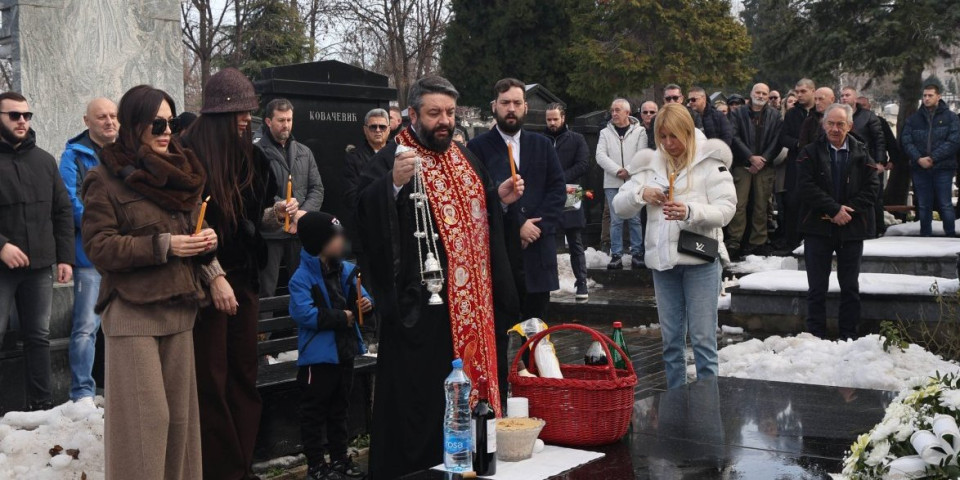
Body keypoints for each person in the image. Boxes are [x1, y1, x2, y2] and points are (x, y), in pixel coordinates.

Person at [357, 76, 521, 478]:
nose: (444, 121)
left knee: (478, 401)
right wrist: (393, 185)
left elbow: (479, 219)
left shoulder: (465, 157)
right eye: (434, 113)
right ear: (412, 115)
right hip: (426, 317)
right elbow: (362, 213)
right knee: (426, 409)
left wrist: (496, 199)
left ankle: (475, 462)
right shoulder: (392, 157)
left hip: (476, 313)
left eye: (449, 113)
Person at [81, 84, 218, 479]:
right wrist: (163, 246)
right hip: (132, 313)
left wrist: (205, 239)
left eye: (171, 122)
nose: (166, 131)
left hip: (179, 310)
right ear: (134, 124)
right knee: (145, 426)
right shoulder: (104, 178)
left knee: (180, 428)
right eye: (157, 123)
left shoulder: (181, 173)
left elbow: (191, 226)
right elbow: (99, 247)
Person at [182, 68, 298, 480]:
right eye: (239, 113)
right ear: (216, 116)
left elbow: (252, 217)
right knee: (211, 379)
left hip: (245, 278)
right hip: (205, 284)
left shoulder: (249, 156)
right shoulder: (187, 156)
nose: (246, 120)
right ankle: (220, 469)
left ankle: (240, 463)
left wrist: (275, 213)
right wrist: (213, 276)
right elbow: (186, 225)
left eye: (249, 112)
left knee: (244, 375)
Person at [612, 104, 735, 389]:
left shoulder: (709, 162)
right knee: (671, 344)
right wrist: (642, 193)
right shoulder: (650, 164)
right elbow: (620, 206)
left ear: (688, 133)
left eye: (675, 136)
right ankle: (676, 407)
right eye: (663, 137)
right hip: (663, 264)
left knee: (704, 342)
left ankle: (707, 408)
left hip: (700, 262)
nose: (669, 144)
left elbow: (727, 210)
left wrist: (690, 211)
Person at [0, 91, 74, 411]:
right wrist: (1, 246)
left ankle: (42, 406)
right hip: (1, 267)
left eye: (27, 116)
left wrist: (65, 258)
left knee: (38, 337)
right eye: (14, 115)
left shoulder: (44, 160)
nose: (22, 121)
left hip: (40, 266)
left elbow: (62, 211)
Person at [469, 78, 565, 321]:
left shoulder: (542, 145)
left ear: (525, 107)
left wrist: (536, 228)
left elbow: (556, 190)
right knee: (500, 329)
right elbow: (475, 195)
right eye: (505, 103)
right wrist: (517, 225)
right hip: (500, 255)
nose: (511, 108)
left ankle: (532, 361)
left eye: (516, 102)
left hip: (537, 251)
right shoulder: (477, 147)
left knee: (537, 333)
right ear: (494, 106)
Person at [289, 212, 372, 480]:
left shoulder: (347, 270)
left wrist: (366, 306)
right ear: (320, 242)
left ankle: (339, 459)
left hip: (344, 352)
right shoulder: (301, 278)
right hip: (317, 358)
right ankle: (316, 465)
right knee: (314, 412)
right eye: (336, 236)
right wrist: (342, 317)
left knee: (340, 409)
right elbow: (304, 313)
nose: (341, 240)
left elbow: (362, 296)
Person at [797, 103, 880, 339]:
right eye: (831, 123)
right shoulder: (809, 152)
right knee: (816, 287)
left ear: (850, 126)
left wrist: (847, 212)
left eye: (840, 124)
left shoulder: (863, 153)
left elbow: (872, 188)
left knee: (850, 287)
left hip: (851, 228)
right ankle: (815, 335)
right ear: (824, 125)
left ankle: (848, 335)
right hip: (817, 227)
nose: (835, 128)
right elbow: (804, 187)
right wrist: (833, 209)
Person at [58, 97, 118, 406]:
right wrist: (108, 228)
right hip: (90, 257)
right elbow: (71, 202)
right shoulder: (73, 157)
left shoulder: (127, 154)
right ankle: (82, 392)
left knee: (123, 323)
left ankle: (117, 387)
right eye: (101, 117)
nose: (109, 121)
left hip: (124, 255)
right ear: (87, 121)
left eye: (113, 115)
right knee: (85, 327)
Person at [255, 98, 324, 298]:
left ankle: (301, 328)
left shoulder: (304, 151)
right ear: (268, 122)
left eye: (289, 119)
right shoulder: (257, 152)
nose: (286, 125)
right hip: (271, 233)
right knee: (266, 290)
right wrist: (283, 207)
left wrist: (301, 214)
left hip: (299, 232)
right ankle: (264, 330)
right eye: (281, 120)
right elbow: (259, 191)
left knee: (303, 287)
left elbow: (317, 188)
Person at [727, 83, 783, 258]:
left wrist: (763, 159)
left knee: (761, 205)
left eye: (764, 93)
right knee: (739, 205)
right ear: (750, 94)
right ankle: (734, 242)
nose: (761, 95)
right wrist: (750, 157)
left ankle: (758, 242)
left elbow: (777, 140)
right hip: (742, 164)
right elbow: (733, 136)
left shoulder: (775, 115)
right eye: (757, 92)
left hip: (765, 166)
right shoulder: (737, 113)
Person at [544, 103, 590, 300]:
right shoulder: (540, 139)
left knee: (574, 240)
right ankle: (548, 283)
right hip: (547, 193)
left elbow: (583, 164)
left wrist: (559, 178)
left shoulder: (577, 139)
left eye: (555, 119)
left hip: (571, 190)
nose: (552, 123)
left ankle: (581, 282)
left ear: (563, 118)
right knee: (547, 239)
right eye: (549, 120)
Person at [901, 84, 960, 237]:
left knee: (945, 204)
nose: (926, 98)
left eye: (930, 95)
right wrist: (919, 159)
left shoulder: (951, 117)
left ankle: (950, 236)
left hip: (943, 168)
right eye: (925, 95)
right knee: (923, 204)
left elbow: (953, 142)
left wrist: (933, 158)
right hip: (920, 168)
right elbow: (906, 141)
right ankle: (925, 235)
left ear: (938, 96)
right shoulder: (914, 119)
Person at [596, 98, 648, 269]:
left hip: (634, 181)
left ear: (627, 112)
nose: (614, 113)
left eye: (618, 110)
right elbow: (600, 155)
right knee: (616, 219)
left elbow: (642, 154)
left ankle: (637, 253)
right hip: (612, 181)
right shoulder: (605, 132)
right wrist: (618, 170)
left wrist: (629, 170)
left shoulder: (640, 132)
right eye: (612, 110)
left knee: (635, 219)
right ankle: (616, 254)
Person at [840, 87, 887, 236]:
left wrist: (880, 161)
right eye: (842, 96)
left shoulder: (868, 116)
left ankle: (876, 231)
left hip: (868, 163)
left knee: (873, 200)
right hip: (848, 165)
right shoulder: (841, 116)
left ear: (855, 98)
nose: (844, 98)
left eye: (847, 95)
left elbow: (879, 139)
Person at [778, 78, 817, 251]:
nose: (799, 95)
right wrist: (799, 144)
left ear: (812, 91)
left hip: (817, 163)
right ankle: (792, 241)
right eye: (797, 91)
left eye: (803, 91)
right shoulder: (793, 113)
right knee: (793, 202)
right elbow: (783, 137)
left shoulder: (820, 112)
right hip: (797, 162)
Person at [648, 84, 703, 148]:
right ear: (664, 100)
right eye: (668, 99)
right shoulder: (655, 120)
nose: (672, 101)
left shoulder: (693, 116)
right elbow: (653, 145)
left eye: (675, 98)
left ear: (681, 99)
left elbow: (698, 140)